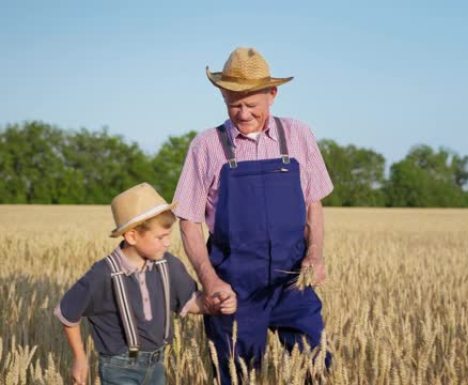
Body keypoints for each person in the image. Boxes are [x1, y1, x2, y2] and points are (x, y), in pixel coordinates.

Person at [173, 47, 334, 383]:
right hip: (235, 286)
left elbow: (313, 205)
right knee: (236, 374)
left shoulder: (299, 135)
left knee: (317, 369)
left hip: (293, 281)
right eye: (234, 104)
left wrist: (315, 255)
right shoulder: (206, 146)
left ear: (272, 95)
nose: (243, 114)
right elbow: (188, 220)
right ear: (221, 95)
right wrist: (210, 280)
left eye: (251, 105)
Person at [54, 183, 236, 385]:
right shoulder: (103, 273)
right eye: (161, 237)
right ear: (132, 236)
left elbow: (190, 302)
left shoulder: (169, 265)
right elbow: (67, 313)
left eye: (168, 236)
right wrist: (80, 358)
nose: (167, 243)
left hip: (157, 363)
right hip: (119, 367)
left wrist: (215, 305)